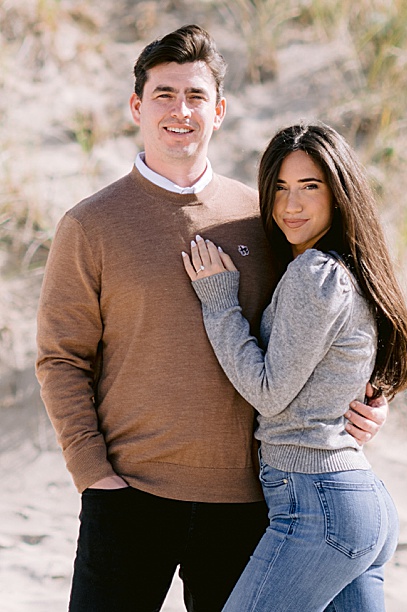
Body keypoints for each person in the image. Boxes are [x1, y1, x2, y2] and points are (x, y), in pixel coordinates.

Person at [35, 25, 387, 610]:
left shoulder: (268, 217)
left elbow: (340, 311)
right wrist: (92, 473)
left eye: (196, 96)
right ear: (136, 107)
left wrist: (368, 396)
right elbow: (61, 357)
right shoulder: (90, 225)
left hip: (249, 503)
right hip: (129, 496)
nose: (181, 111)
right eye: (164, 95)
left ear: (219, 110)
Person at [183, 121, 407, 610]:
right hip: (354, 499)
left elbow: (268, 392)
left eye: (310, 187)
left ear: (339, 191)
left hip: (317, 506)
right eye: (281, 188)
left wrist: (220, 301)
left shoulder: (315, 274)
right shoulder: (348, 269)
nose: (291, 206)